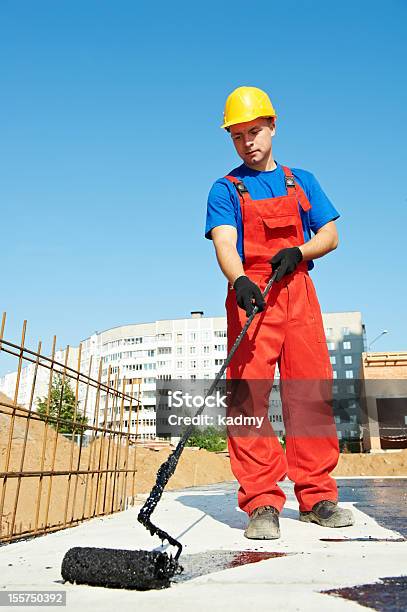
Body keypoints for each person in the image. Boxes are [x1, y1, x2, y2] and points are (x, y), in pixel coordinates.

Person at [205, 86, 354, 539]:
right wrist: (240, 280)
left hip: (298, 292)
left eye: (254, 131)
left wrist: (300, 250)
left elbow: (330, 235)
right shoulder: (225, 188)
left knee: (309, 394)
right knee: (248, 400)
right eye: (237, 136)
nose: (247, 142)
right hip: (252, 295)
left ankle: (317, 496)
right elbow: (225, 242)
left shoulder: (301, 180)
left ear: (273, 126)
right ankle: (262, 502)